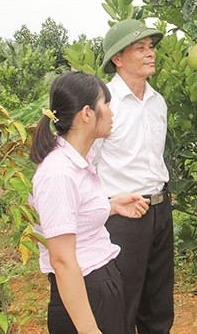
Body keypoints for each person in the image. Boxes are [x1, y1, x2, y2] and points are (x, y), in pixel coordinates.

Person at [29, 71, 151, 334]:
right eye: (105, 104)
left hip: (101, 284)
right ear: (86, 113)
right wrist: (89, 330)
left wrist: (112, 205)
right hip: (84, 291)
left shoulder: (79, 160)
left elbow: (75, 216)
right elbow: (62, 260)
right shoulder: (58, 173)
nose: (111, 111)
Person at [95, 19, 174, 333]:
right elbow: (88, 165)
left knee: (158, 304)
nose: (150, 53)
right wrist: (108, 205)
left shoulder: (158, 103)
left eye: (151, 47)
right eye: (140, 48)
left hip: (159, 211)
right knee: (121, 304)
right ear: (118, 58)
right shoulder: (104, 105)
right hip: (123, 217)